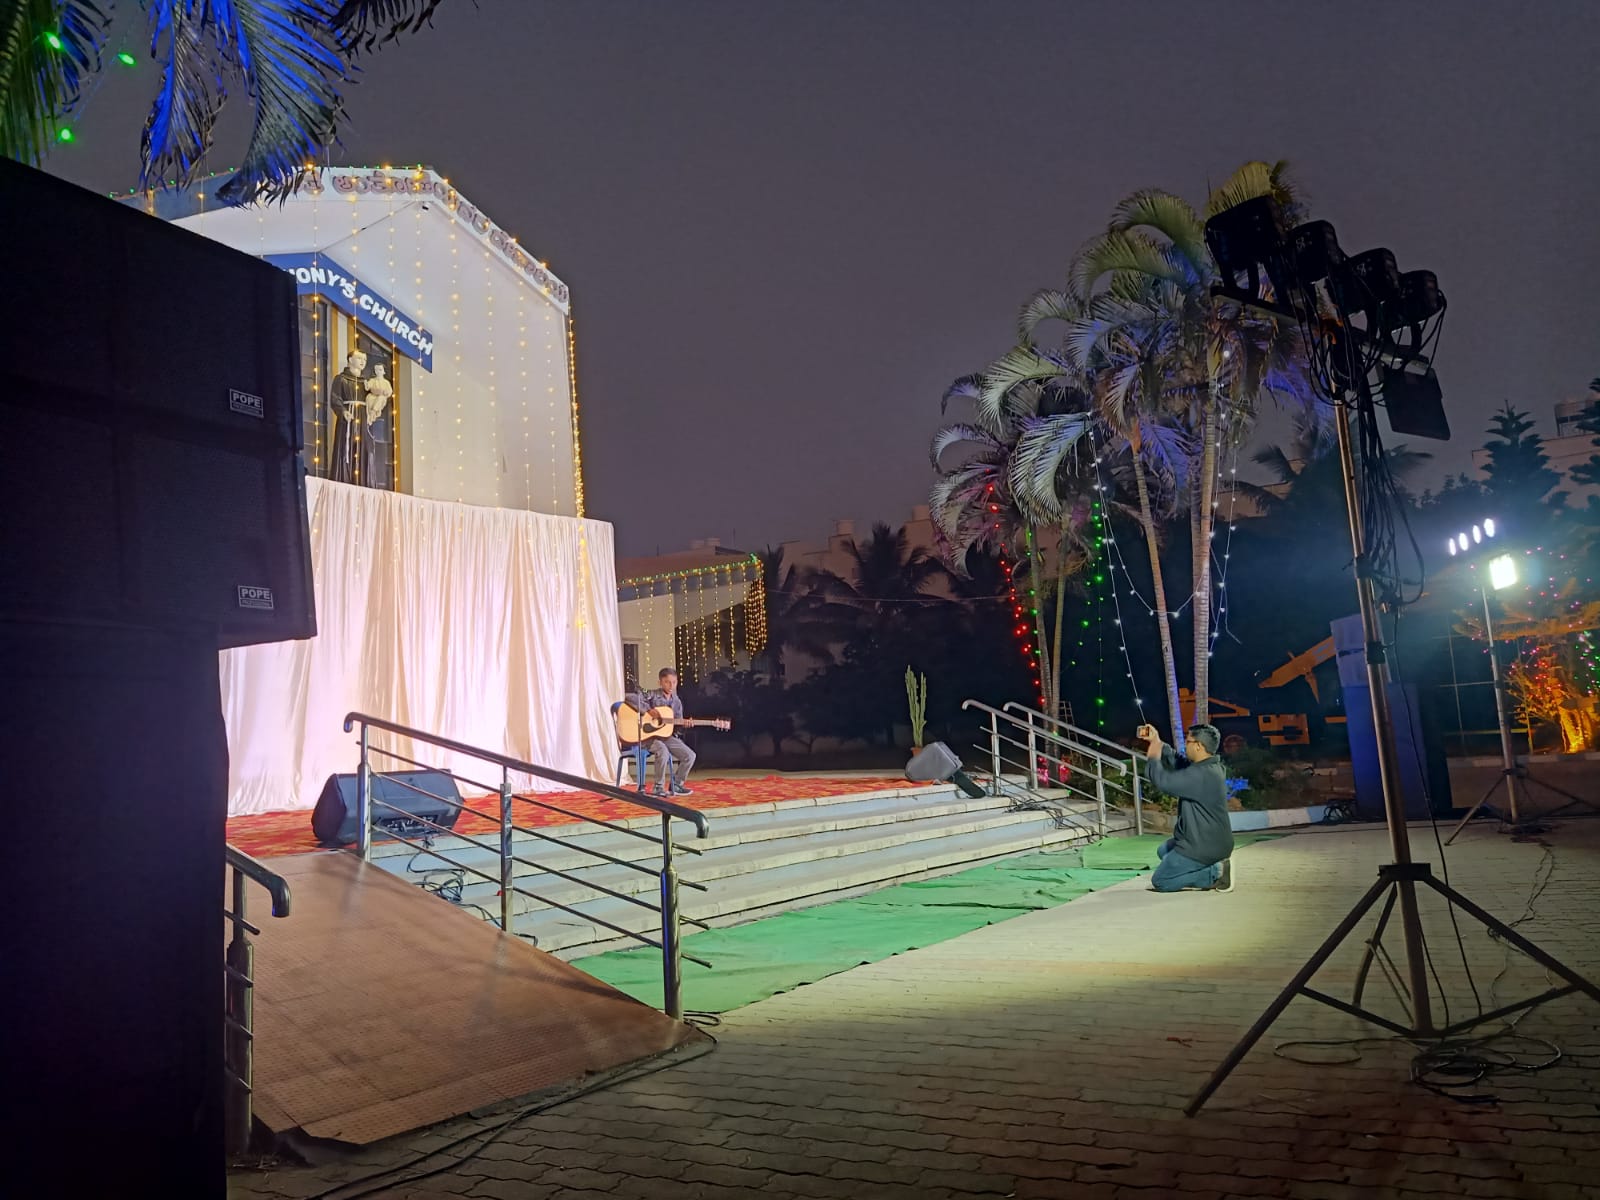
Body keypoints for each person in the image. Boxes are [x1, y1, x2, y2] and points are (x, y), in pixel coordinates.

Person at [1139, 722, 1234, 892]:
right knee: (1163, 851)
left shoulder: (1202, 775)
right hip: (1209, 841)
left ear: (1198, 746)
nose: (1185, 745)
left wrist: (1153, 755)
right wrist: (1158, 743)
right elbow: (1179, 762)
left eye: (1188, 741)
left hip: (1204, 845)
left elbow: (1162, 781)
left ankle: (1215, 872)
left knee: (1161, 881)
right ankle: (1208, 866)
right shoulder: (1209, 767)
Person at [643, 667, 696, 797]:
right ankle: (658, 787)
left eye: (674, 682)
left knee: (690, 755)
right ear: (660, 682)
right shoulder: (652, 695)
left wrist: (684, 724)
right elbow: (631, 698)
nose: (671, 685)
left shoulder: (676, 701)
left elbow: (675, 726)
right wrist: (648, 710)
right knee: (663, 751)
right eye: (667, 682)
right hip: (649, 736)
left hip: (666, 736)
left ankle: (676, 784)